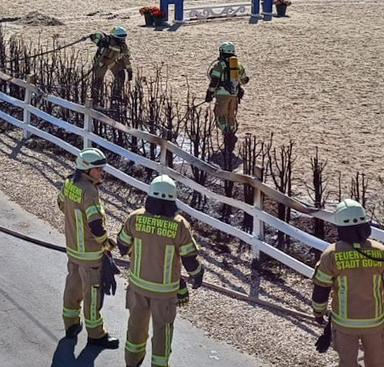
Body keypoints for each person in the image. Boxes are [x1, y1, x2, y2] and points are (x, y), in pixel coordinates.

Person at [117, 174, 204, 367]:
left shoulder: (135, 218)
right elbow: (189, 260)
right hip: (164, 293)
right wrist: (198, 275)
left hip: (138, 287)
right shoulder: (179, 225)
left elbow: (122, 245)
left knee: (136, 327)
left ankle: (132, 361)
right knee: (162, 331)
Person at [311, 199, 384, 367]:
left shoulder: (331, 255)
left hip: (344, 324)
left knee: (347, 363)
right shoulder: (381, 252)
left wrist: (318, 313)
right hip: (375, 322)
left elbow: (321, 290)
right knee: (377, 362)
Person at [57, 148, 120, 350]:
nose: (101, 172)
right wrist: (106, 242)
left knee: (72, 286)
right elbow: (95, 225)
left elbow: (61, 203)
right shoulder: (89, 191)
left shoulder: (69, 183)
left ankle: (71, 325)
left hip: (73, 249)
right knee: (92, 295)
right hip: (90, 255)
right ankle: (96, 335)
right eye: (98, 168)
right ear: (86, 169)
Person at [204, 41, 249, 154]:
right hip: (234, 96)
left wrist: (209, 93)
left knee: (220, 117)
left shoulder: (219, 65)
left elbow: (214, 81)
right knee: (230, 117)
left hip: (222, 95)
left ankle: (228, 135)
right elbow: (244, 80)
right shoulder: (238, 65)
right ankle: (230, 137)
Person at [90, 26, 133, 101]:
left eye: (123, 38)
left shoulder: (123, 47)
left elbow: (126, 59)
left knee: (120, 75)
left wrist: (129, 70)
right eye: (120, 38)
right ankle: (95, 97)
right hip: (101, 62)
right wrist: (101, 41)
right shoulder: (106, 40)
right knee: (98, 80)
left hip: (112, 62)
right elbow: (94, 36)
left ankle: (116, 94)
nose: (122, 40)